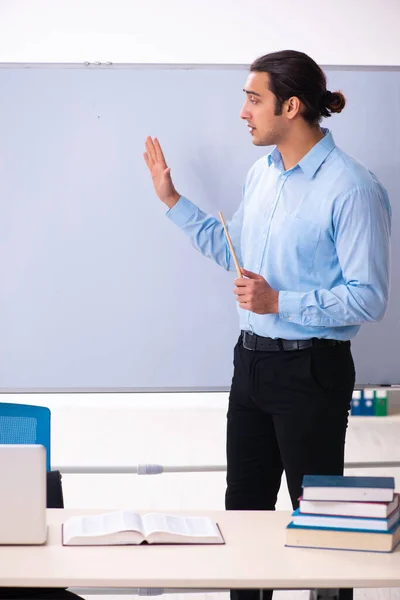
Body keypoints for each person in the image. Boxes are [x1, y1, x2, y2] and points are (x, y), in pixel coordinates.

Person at [144, 50, 391, 600]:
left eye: (254, 99)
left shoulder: (352, 188)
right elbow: (237, 258)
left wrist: (281, 302)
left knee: (324, 526)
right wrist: (172, 200)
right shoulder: (262, 175)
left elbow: (369, 298)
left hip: (312, 370)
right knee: (244, 515)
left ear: (292, 106)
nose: (244, 113)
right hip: (250, 363)